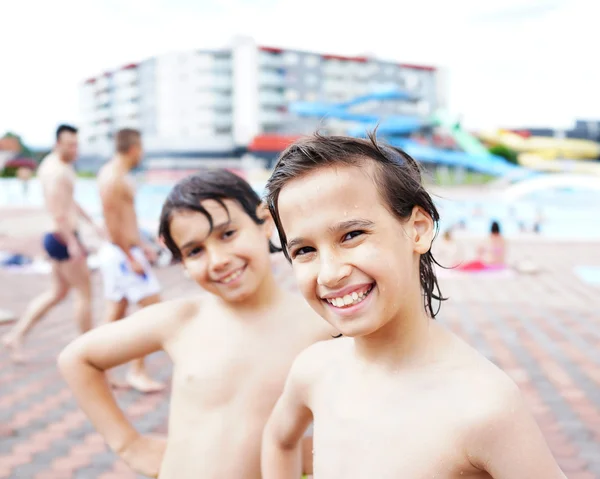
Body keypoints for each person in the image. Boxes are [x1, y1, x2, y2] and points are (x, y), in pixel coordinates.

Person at [261, 133, 566, 478]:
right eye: (304, 251)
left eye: (352, 235)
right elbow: (278, 441)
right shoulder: (313, 370)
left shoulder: (482, 406)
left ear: (418, 229)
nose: (329, 274)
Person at [58, 169, 337, 478]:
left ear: (266, 222)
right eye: (195, 251)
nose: (217, 260)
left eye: (227, 234)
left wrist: (319, 453)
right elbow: (77, 359)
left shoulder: (321, 325)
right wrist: (128, 444)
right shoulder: (182, 319)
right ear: (184, 265)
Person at [2, 124, 102, 362]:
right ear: (58, 144)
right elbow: (58, 213)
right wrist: (73, 243)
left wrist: (90, 221)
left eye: (76, 144)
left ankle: (16, 335)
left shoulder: (55, 165)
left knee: (57, 293)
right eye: (70, 145)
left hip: (57, 236)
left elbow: (70, 200)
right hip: (62, 237)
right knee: (84, 294)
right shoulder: (57, 171)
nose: (74, 149)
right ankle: (88, 353)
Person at [96, 128, 164, 393]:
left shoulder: (115, 174)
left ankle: (97, 367)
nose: (143, 153)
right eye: (142, 147)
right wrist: (130, 255)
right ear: (134, 148)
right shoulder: (113, 177)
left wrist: (143, 245)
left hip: (124, 251)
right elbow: (113, 225)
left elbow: (126, 219)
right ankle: (137, 371)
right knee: (153, 311)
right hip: (121, 254)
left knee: (115, 313)